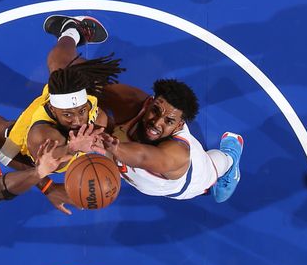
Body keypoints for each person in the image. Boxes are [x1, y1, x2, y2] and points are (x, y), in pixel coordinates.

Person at [0, 15, 124, 174]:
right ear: (52, 108)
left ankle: (71, 30)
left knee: (61, 66)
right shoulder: (39, 133)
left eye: (81, 112)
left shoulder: (86, 101)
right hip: (27, 141)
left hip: (65, 98)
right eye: (68, 115)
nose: (78, 121)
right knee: (0, 128)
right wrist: (73, 148)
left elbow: (95, 114)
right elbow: (47, 164)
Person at [78, 78, 244, 202]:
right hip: (133, 166)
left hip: (189, 182)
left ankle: (231, 156)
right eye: (155, 111)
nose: (156, 123)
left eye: (169, 121)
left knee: (216, 165)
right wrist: (70, 35)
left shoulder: (178, 153)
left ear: (179, 125)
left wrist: (113, 148)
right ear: (150, 102)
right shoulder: (132, 102)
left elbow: (144, 157)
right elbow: (77, 74)